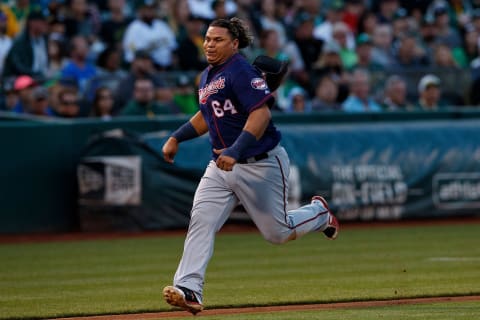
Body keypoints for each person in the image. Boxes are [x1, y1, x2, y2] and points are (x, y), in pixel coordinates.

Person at [161, 17, 339, 315]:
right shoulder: (207, 75)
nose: (209, 44)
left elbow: (261, 115)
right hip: (220, 165)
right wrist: (177, 137)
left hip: (260, 164)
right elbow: (207, 115)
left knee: (278, 233)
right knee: (201, 221)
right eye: (207, 38)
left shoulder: (241, 71)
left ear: (234, 43)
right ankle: (189, 287)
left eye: (217, 40)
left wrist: (236, 149)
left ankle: (320, 213)